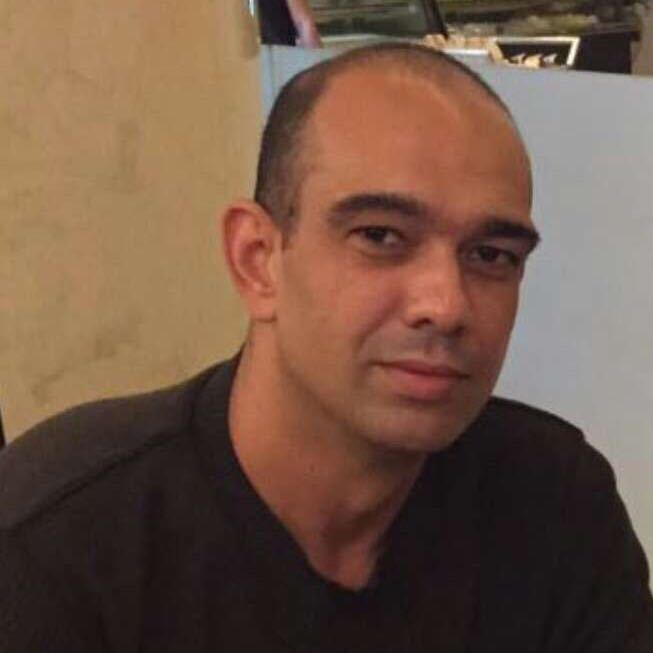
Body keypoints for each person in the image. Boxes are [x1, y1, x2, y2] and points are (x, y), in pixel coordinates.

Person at [1, 43, 652, 652]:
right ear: (258, 260)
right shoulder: (58, 546)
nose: (447, 304)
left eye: (490, 255)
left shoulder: (556, 508)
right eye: (381, 236)